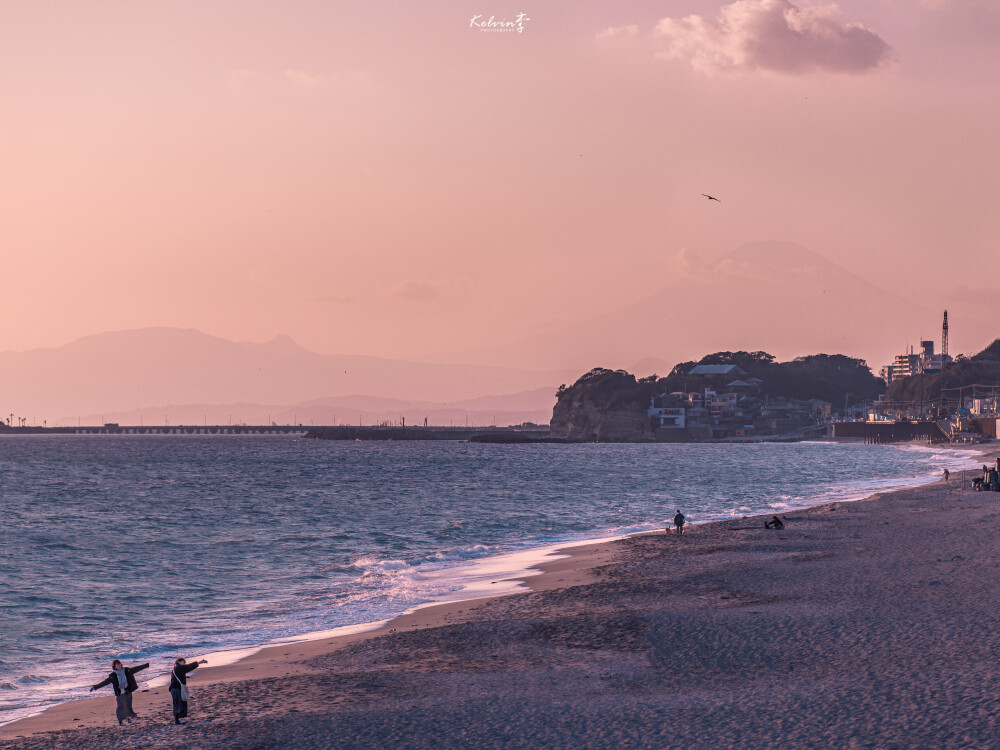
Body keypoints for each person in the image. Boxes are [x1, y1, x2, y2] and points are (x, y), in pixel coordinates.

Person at [89, 659, 149, 726]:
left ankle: (129, 720)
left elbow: (136, 669)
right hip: (120, 693)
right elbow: (105, 682)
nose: (119, 665)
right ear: (114, 666)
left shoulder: (126, 671)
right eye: (117, 664)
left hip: (127, 691)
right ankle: (120, 722)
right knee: (120, 707)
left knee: (128, 706)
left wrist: (146, 665)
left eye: (119, 664)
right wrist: (95, 687)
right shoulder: (113, 676)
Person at [169, 657, 208, 724]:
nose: (184, 663)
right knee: (178, 704)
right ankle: (177, 721)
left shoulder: (174, 669)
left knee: (178, 704)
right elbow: (189, 667)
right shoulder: (179, 668)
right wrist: (200, 662)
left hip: (174, 689)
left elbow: (187, 667)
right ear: (178, 662)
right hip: (176, 688)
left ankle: (177, 720)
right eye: (183, 662)